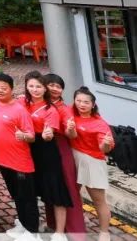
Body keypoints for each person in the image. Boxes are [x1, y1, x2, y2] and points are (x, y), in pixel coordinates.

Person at [22, 71, 73, 241]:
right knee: (33, 189)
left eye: (38, 86)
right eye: (31, 86)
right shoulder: (23, 102)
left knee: (55, 189)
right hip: (27, 149)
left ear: (45, 89)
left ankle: (60, 232)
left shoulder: (51, 109)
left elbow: (49, 132)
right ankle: (30, 225)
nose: (35, 89)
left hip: (46, 150)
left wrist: (48, 134)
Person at [0, 73, 38, 239]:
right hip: (3, 160)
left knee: (27, 197)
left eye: (3, 88)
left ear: (11, 89)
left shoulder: (19, 110)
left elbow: (31, 136)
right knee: (16, 195)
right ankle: (23, 223)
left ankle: (32, 231)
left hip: (19, 162)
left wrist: (23, 136)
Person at [65, 86, 115, 241]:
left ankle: (104, 232)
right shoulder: (71, 112)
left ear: (93, 104)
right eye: (78, 100)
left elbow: (104, 149)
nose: (81, 104)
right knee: (74, 193)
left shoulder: (100, 124)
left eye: (86, 102)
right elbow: (71, 136)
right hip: (74, 156)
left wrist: (106, 144)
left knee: (98, 200)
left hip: (92, 161)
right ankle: (80, 217)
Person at [43, 74, 87, 237]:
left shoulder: (64, 109)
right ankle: (53, 223)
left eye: (59, 86)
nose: (55, 89)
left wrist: (70, 129)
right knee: (50, 188)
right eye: (51, 85)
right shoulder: (41, 104)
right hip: (44, 149)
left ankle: (75, 230)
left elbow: (71, 134)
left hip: (61, 149)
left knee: (68, 188)